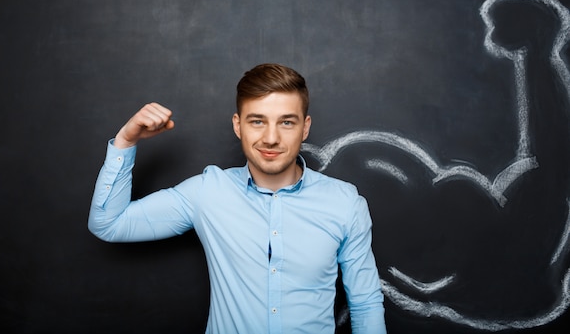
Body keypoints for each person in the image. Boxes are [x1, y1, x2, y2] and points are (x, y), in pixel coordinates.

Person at [88, 63, 387, 334]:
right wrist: (126, 141)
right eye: (257, 121)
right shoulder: (208, 192)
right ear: (237, 125)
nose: (271, 138)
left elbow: (365, 304)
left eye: (286, 122)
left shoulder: (344, 203)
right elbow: (109, 224)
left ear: (305, 127)